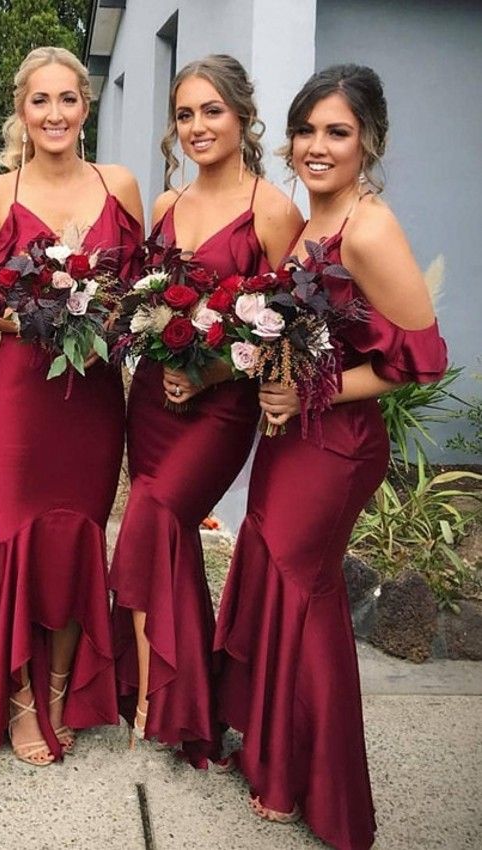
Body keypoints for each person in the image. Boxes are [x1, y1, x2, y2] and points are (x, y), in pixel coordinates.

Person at [213, 65, 447, 849]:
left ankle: (325, 791)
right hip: (293, 435)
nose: (317, 146)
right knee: (276, 575)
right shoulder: (313, 218)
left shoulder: (369, 229)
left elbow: (422, 361)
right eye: (307, 129)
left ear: (367, 142)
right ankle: (274, 752)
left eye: (336, 132)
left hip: (338, 445)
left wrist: (312, 392)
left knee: (304, 593)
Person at [0, 46, 144, 766]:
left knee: (77, 541)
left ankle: (63, 689)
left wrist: (102, 318)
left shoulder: (118, 183)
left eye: (68, 99)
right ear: (22, 110)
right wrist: (44, 320)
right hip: (25, 397)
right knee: (24, 539)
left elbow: (140, 287)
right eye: (41, 101)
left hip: (94, 399)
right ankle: (21, 696)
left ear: (85, 108)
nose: (55, 113)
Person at [109, 55, 303, 766]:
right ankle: (187, 706)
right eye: (185, 114)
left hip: (222, 409)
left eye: (211, 111)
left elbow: (293, 326)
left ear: (244, 117)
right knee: (162, 536)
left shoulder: (275, 211)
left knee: (155, 516)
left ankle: (152, 700)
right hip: (153, 399)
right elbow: (144, 302)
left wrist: (218, 368)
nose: (196, 126)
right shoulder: (165, 207)